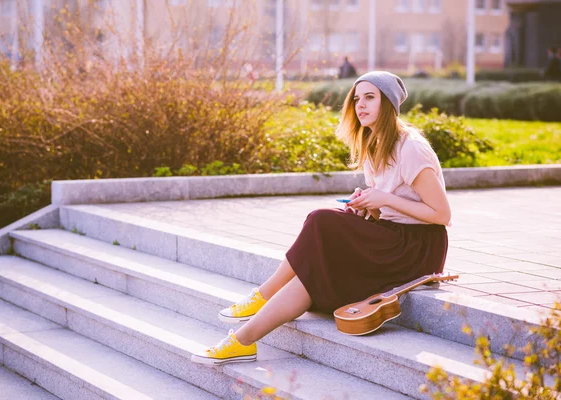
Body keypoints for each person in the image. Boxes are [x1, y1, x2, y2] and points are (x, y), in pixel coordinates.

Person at [190, 71, 451, 366]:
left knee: (320, 220)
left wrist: (385, 199)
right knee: (313, 274)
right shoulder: (374, 143)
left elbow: (441, 214)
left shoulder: (411, 147)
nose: (360, 105)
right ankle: (240, 342)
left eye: (370, 98)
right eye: (356, 99)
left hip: (417, 248)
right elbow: (388, 208)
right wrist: (368, 206)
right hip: (391, 237)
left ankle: (263, 294)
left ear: (388, 103)